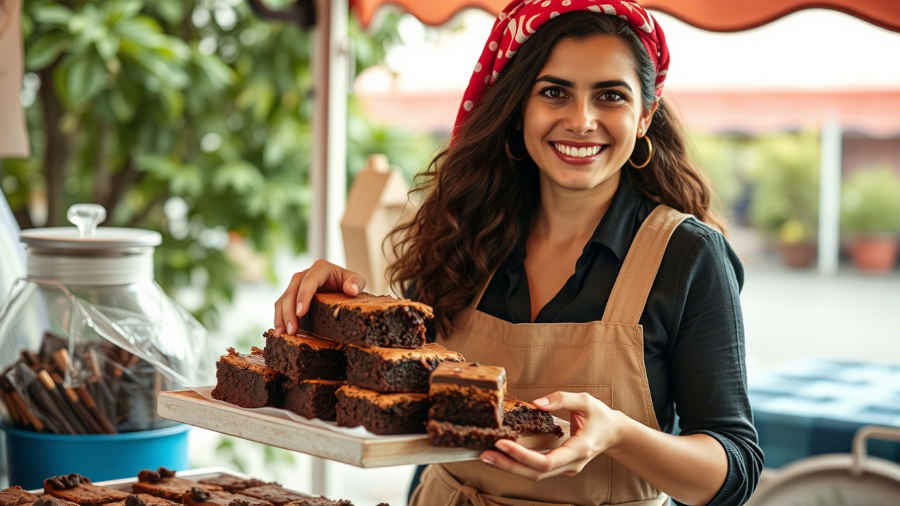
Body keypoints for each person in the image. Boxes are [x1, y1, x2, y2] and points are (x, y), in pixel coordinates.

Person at [274, 0, 762, 504]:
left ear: (644, 116)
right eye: (554, 92)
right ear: (518, 109)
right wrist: (338, 311)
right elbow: (404, 391)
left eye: (610, 96)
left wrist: (619, 434)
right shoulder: (462, 230)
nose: (582, 120)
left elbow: (733, 470)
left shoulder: (688, 255)